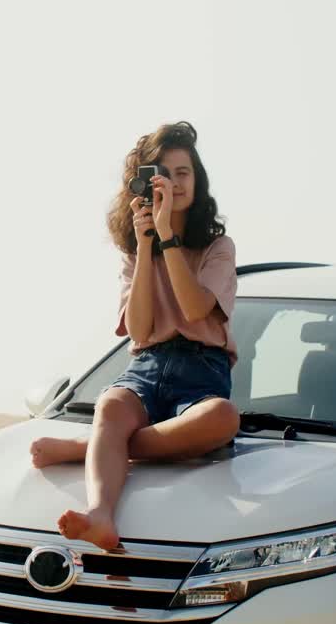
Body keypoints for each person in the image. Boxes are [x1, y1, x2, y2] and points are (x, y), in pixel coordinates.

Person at [28, 121, 240, 551]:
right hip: (146, 366)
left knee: (223, 418)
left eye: (183, 173)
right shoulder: (134, 252)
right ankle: (100, 513)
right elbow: (139, 331)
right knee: (110, 405)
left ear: (197, 180)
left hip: (201, 373)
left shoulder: (218, 248)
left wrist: (168, 237)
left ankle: (89, 447)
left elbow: (194, 308)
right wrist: (146, 246)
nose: (174, 183)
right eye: (164, 174)